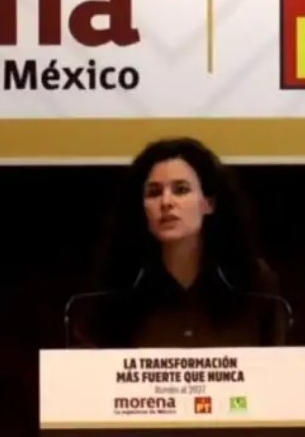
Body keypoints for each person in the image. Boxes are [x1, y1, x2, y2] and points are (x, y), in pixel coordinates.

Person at [66, 137, 290, 348]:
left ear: (208, 204)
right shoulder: (116, 288)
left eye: (181, 190)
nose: (166, 202)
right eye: (154, 193)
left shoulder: (253, 285)